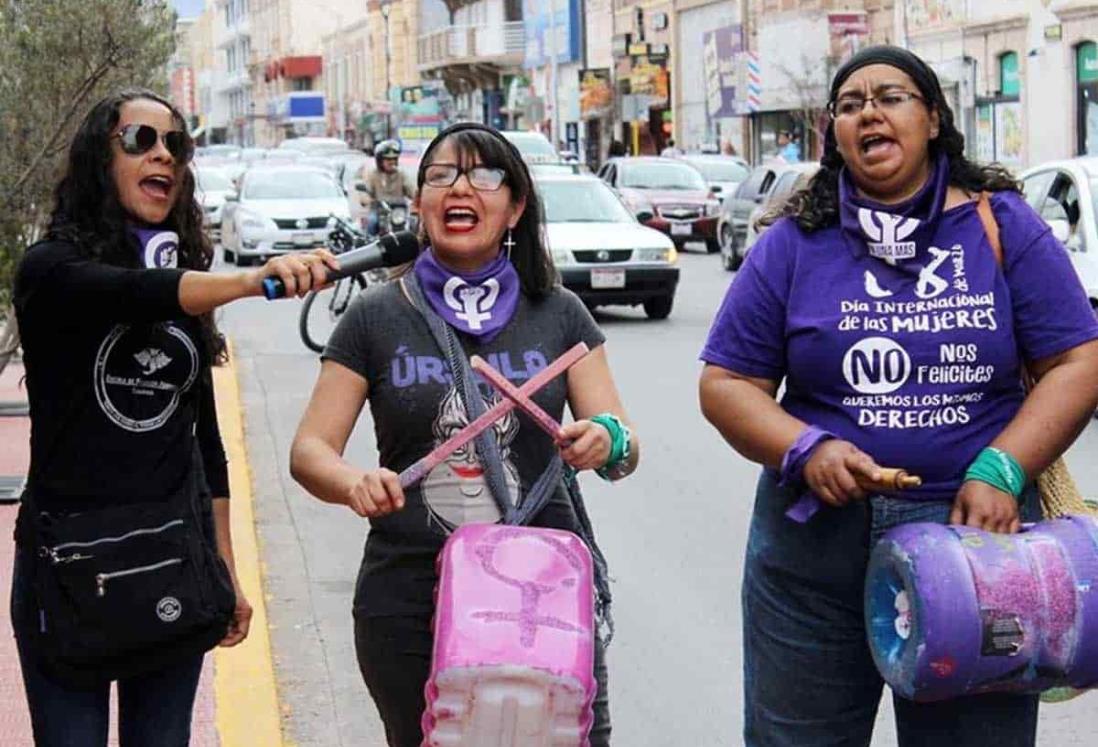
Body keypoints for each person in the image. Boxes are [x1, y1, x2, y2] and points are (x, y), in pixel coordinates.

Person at [698, 46, 1098, 746]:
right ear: (835, 133)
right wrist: (804, 446)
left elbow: (1078, 360)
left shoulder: (1001, 224)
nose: (869, 112)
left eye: (891, 96)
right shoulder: (796, 241)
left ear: (934, 119)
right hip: (813, 554)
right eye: (850, 105)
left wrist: (1002, 468)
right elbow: (728, 383)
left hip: (980, 551)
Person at [289, 122, 639, 746]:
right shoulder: (375, 314)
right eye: (442, 176)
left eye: (484, 176)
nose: (461, 189)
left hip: (544, 598)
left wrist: (604, 439)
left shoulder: (560, 312)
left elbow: (623, 445)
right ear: (420, 203)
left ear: (517, 207)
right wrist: (353, 483)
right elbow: (310, 450)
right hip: (410, 599)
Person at [11, 89, 337, 746]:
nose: (163, 154)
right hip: (70, 572)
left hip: (169, 565)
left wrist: (226, 568)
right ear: (99, 160)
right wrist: (256, 280)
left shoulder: (182, 282)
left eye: (176, 146)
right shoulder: (51, 271)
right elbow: (132, 293)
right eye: (140, 140)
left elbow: (206, 442)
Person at [358, 138, 415, 236]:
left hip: (398, 211)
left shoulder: (401, 174)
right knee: (371, 223)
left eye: (394, 159)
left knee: (414, 225)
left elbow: (411, 190)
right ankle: (370, 245)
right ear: (380, 161)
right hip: (379, 211)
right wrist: (366, 199)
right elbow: (365, 191)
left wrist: (419, 198)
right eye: (388, 159)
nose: (391, 162)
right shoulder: (373, 174)